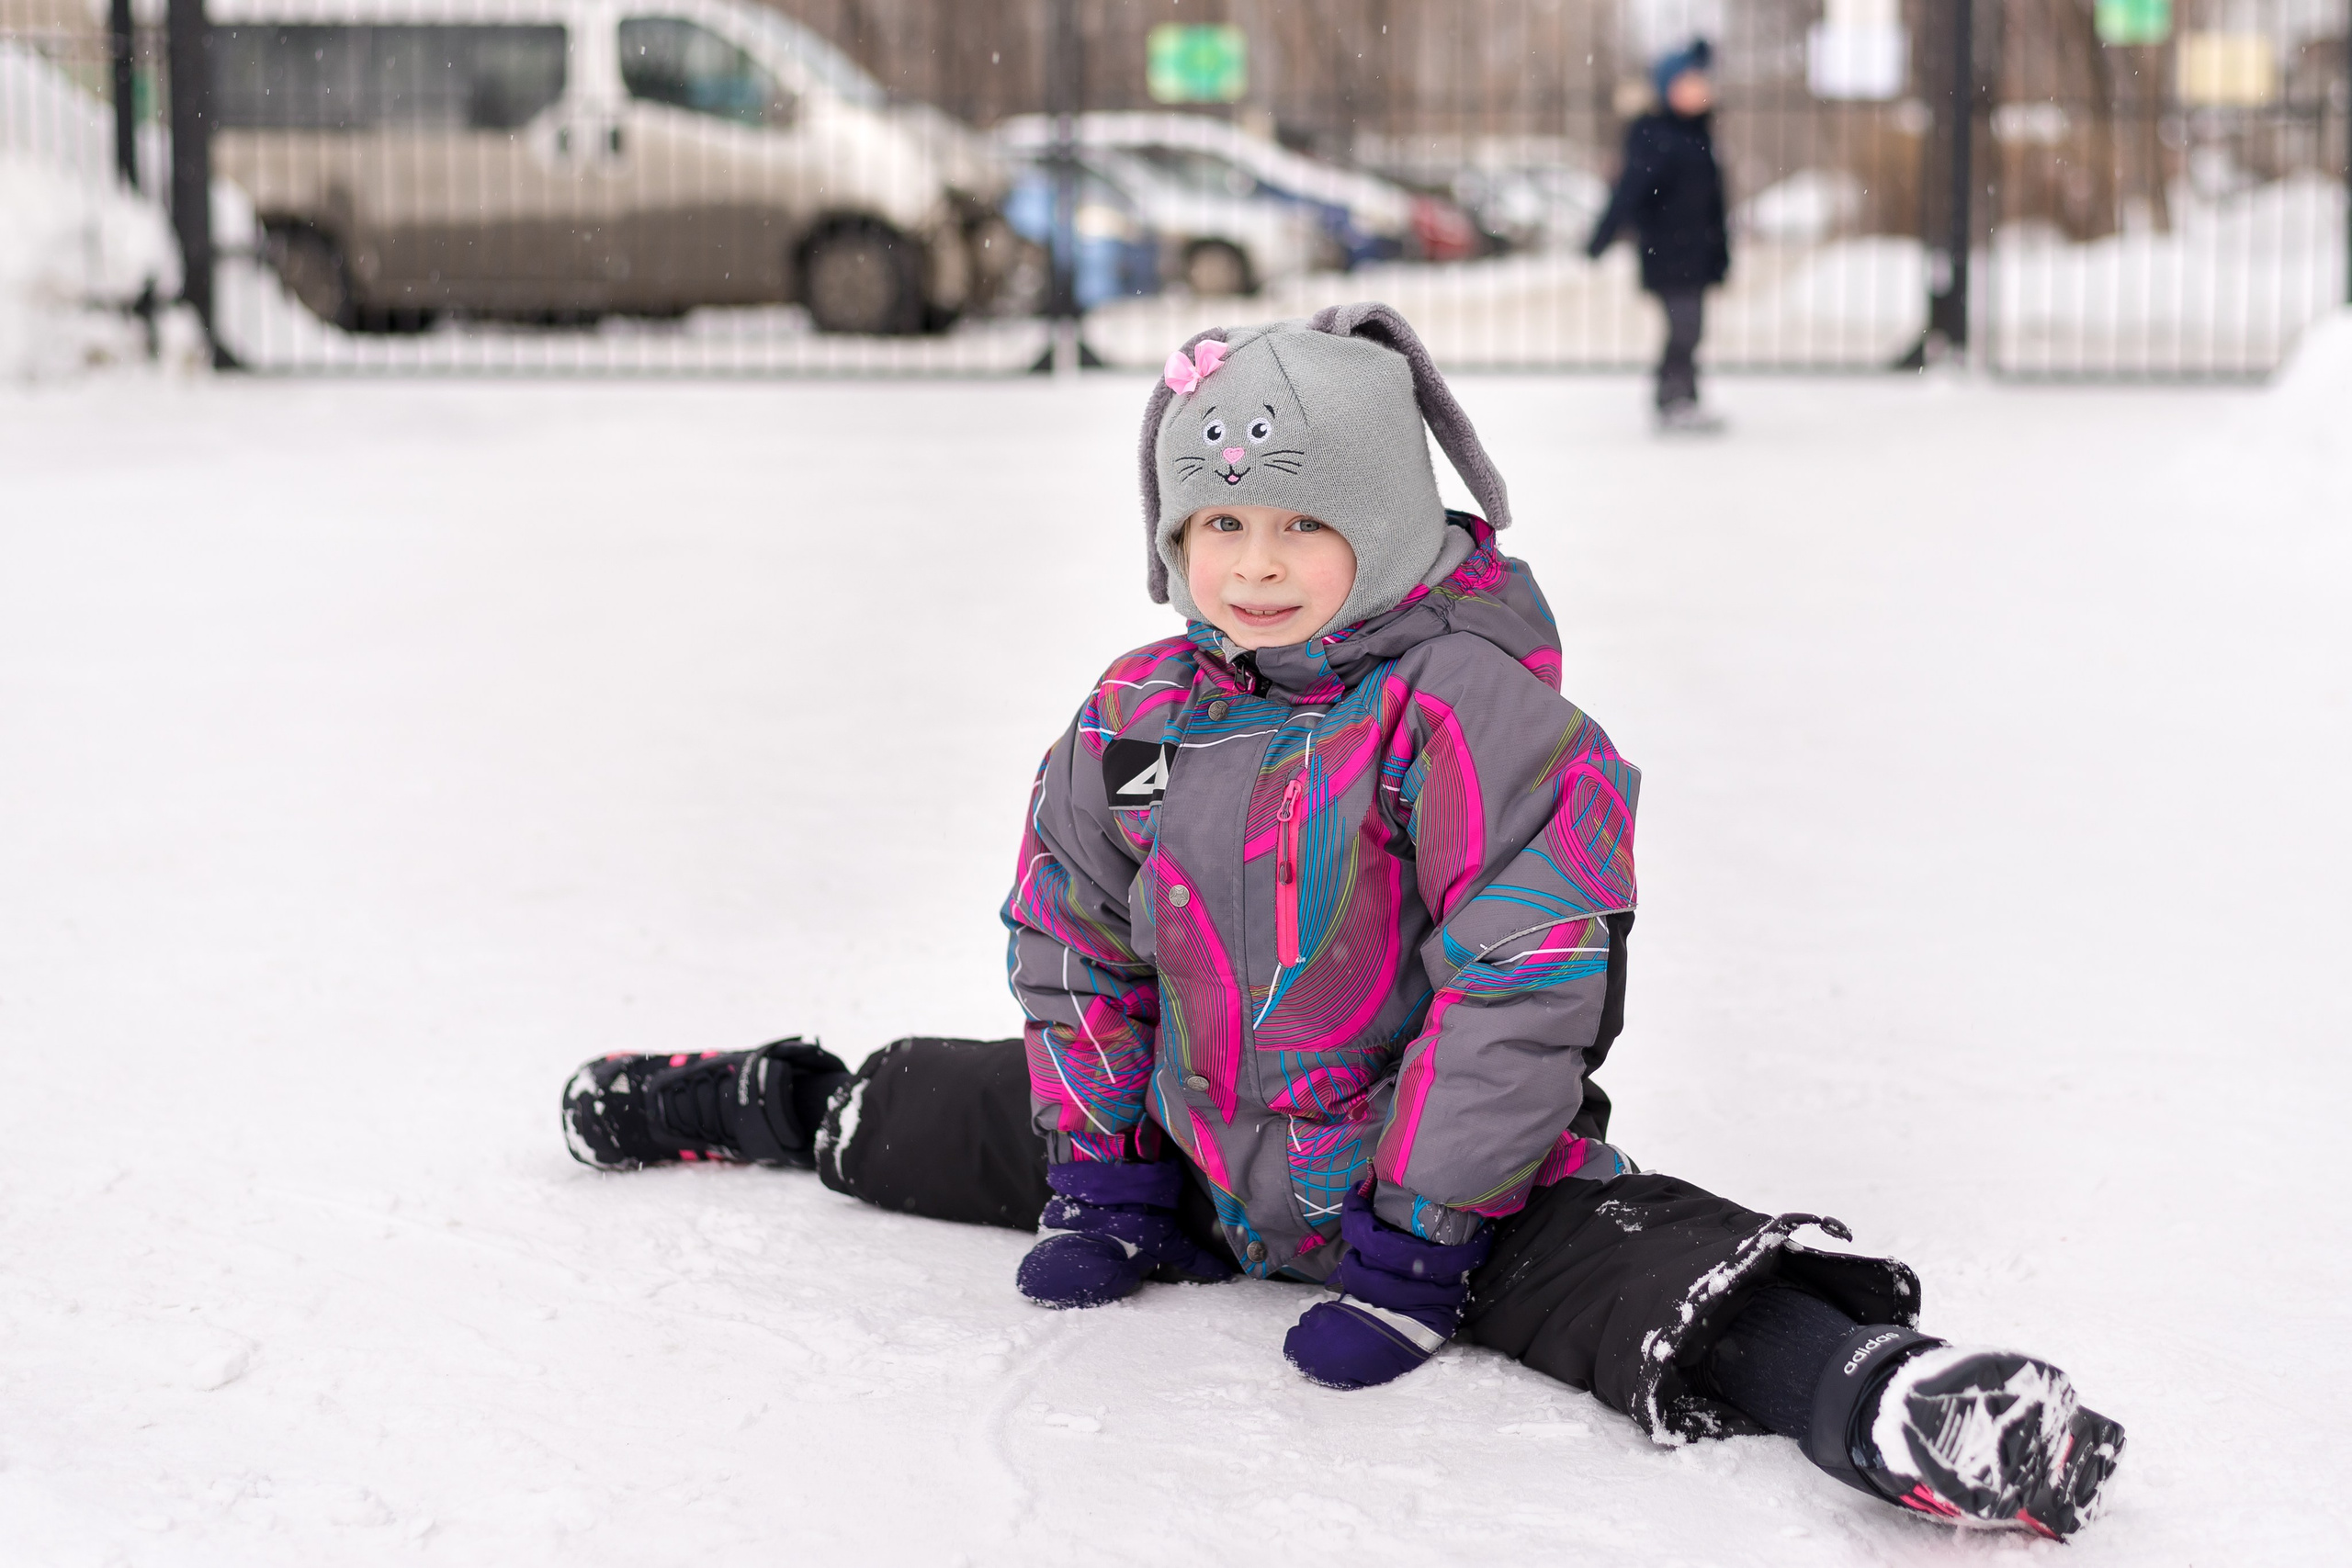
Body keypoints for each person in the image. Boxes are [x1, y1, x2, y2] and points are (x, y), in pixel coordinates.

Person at [558, 304, 2125, 1540]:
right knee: (949, 1111)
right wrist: (1107, 1169)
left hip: (1437, 1175)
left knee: (1633, 1272)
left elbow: (1521, 977)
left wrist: (1427, 1230)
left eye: (1298, 527)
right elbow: (1072, 937)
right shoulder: (1136, 710)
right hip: (1188, 1143)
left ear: (1381, 528)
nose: (1250, 565)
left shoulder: (1464, 714)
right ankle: (770, 1097)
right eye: (1215, 526)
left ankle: (1895, 1398)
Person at [1588, 39, 1730, 432]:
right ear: (1668, 89)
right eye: (1690, 82)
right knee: (1684, 327)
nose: (1701, 89)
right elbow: (1630, 190)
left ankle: (1685, 396)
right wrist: (1602, 236)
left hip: (1698, 253)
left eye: (1703, 81)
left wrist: (1721, 253)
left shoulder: (1700, 135)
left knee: (1693, 328)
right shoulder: (1654, 135)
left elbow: (1714, 205)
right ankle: (1672, 399)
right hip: (1667, 251)